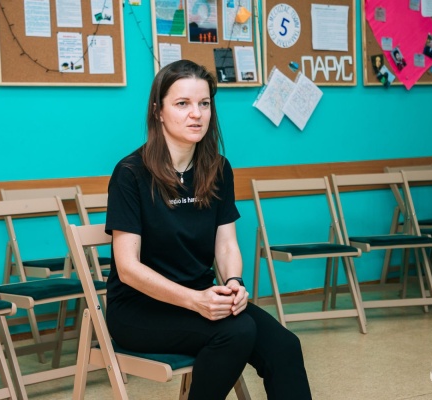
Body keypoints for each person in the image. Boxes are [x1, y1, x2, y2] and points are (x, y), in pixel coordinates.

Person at [104, 59, 312, 399]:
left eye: (204, 103)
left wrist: (234, 284)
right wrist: (194, 300)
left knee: (284, 346)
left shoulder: (217, 168)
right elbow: (128, 269)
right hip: (139, 309)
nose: (196, 114)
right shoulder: (130, 174)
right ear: (158, 111)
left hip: (203, 298)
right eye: (182, 103)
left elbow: (226, 245)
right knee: (236, 332)